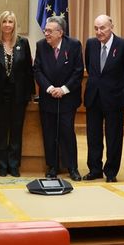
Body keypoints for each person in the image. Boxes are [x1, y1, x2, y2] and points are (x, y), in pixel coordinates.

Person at [83, 15, 124, 182]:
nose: (99, 32)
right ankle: (94, 169)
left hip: (114, 99)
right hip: (93, 97)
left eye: (102, 28)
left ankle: (111, 172)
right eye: (96, 28)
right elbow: (90, 67)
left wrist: (122, 92)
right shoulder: (91, 44)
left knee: (114, 138)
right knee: (93, 136)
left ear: (111, 27)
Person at [33, 15, 83, 180]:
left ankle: (72, 167)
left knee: (67, 133)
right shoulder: (41, 46)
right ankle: (52, 166)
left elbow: (78, 71)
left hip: (67, 98)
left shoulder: (74, 45)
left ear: (60, 33)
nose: (46, 33)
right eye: (45, 30)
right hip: (48, 97)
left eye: (49, 31)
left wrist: (63, 89)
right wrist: (49, 88)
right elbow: (37, 70)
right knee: (49, 134)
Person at [0, 11, 33, 177]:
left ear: (14, 24)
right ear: (0, 24)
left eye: (10, 22)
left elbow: (28, 70)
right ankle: (1, 164)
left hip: (18, 95)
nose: (7, 25)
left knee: (16, 130)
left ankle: (13, 164)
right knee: (0, 130)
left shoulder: (23, 43)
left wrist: (31, 93)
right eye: (4, 21)